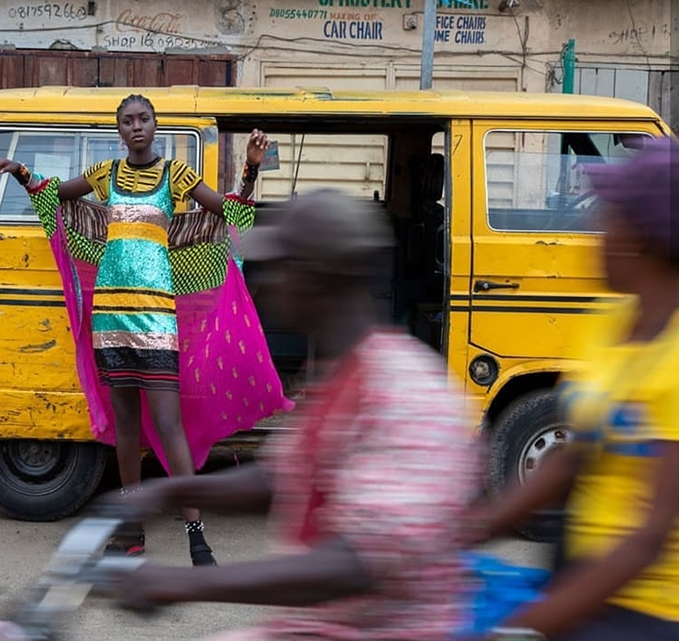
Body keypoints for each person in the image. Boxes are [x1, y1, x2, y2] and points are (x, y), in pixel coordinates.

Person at [101, 188, 479, 640]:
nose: (265, 284)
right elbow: (280, 478)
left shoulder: (404, 389)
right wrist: (165, 491)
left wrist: (181, 582)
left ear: (317, 278)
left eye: (279, 269)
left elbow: (354, 565)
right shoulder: (336, 375)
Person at [0, 94, 292, 566]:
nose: (136, 127)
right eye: (127, 121)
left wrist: (251, 171)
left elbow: (228, 212)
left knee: (169, 425)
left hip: (156, 319)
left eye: (143, 119)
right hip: (110, 315)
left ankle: (196, 536)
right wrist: (21, 172)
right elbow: (54, 199)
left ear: (155, 125)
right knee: (127, 427)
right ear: (119, 130)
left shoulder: (177, 175)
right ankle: (131, 531)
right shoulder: (104, 174)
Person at [473, 137, 679, 640]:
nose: (594, 232)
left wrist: (529, 627)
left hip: (646, 610)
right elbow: (573, 458)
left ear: (641, 237)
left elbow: (649, 537)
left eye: (607, 218)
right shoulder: (608, 324)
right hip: (581, 580)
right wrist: (465, 531)